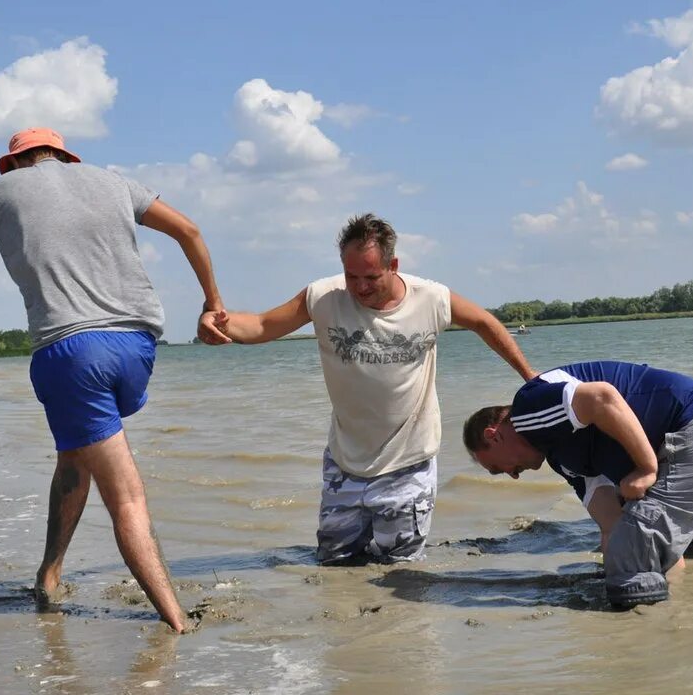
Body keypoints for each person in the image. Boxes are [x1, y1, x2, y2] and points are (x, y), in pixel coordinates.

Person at [0, 127, 230, 633]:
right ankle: (49, 574)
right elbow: (190, 231)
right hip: (138, 345)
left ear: (13, 164)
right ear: (65, 158)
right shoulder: (113, 181)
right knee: (76, 454)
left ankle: (175, 622)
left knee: (127, 496)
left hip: (71, 352)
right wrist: (213, 305)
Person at [206, 213, 535, 564]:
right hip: (344, 464)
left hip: (408, 464)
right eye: (352, 276)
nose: (360, 287)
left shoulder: (431, 299)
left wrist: (529, 377)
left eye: (371, 277)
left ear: (393, 265)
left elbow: (485, 323)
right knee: (333, 566)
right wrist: (221, 324)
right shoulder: (323, 297)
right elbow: (260, 325)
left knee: (401, 574)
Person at [462, 360, 693, 608]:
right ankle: (672, 622)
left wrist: (645, 468)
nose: (512, 475)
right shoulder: (562, 457)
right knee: (631, 553)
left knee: (630, 560)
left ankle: (643, 647)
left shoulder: (527, 413)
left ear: (493, 435)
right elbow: (611, 525)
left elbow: (601, 397)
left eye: (498, 468)